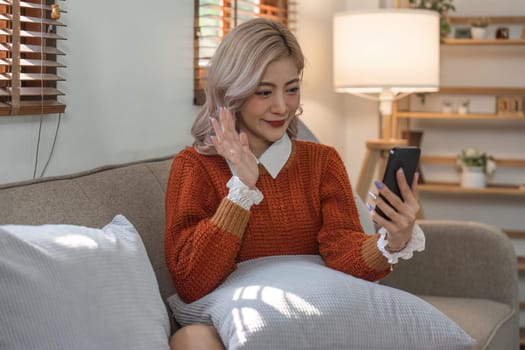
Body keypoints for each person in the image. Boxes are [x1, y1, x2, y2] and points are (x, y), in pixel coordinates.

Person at [165, 17, 424, 350]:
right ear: (233, 93)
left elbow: (341, 250)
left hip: (316, 311)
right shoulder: (195, 166)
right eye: (264, 92)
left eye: (291, 88)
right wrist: (241, 191)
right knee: (192, 339)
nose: (281, 106)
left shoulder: (321, 161)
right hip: (241, 319)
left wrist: (392, 241)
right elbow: (192, 282)